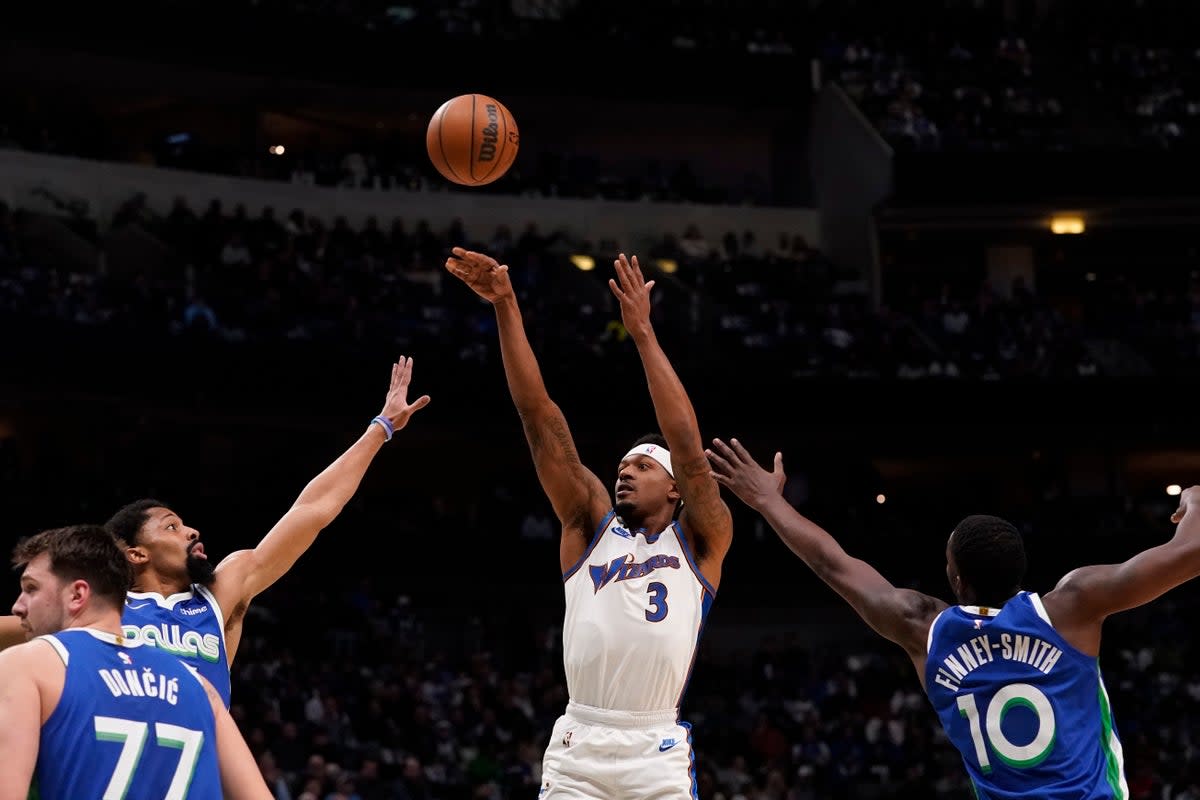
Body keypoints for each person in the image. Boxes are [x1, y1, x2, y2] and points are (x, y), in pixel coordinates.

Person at [705, 437, 1200, 800]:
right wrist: (1196, 502)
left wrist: (768, 500)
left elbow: (832, 562)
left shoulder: (927, 630)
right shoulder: (1072, 606)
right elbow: (1191, 553)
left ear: (956, 580)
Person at [444, 247, 733, 799]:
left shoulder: (701, 539)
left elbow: (690, 450)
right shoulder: (589, 524)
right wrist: (506, 307)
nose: (625, 471)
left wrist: (643, 335)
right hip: (581, 744)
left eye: (643, 465)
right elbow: (539, 416)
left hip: (657, 748)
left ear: (675, 487)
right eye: (623, 464)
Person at [0, 356, 430, 707]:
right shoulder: (97, 611)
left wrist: (382, 428)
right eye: (172, 526)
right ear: (135, 553)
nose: (191, 531)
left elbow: (312, 510)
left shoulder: (219, 593)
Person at [0, 524, 272, 800]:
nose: (18, 606)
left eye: (30, 589)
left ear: (78, 594)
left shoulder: (27, 665)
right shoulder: (200, 688)